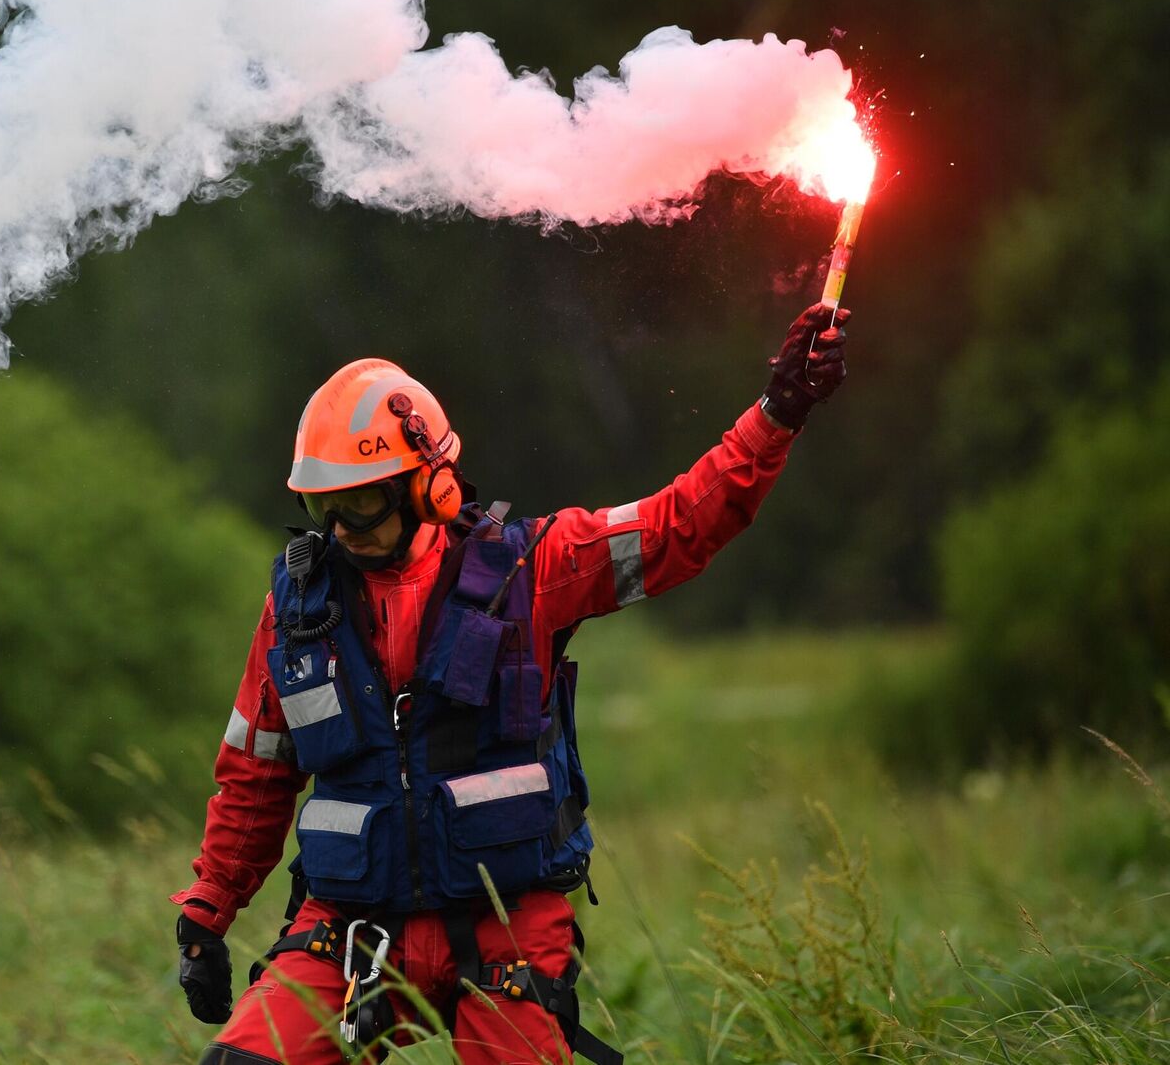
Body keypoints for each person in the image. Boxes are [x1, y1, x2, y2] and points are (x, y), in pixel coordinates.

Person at [170, 304, 852, 1064]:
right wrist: (208, 911)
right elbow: (255, 774)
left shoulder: (538, 567)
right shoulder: (295, 610)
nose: (340, 529)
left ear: (427, 485)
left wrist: (778, 412)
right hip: (352, 927)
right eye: (320, 505)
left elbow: (680, 523)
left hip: (507, 929)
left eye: (359, 501)